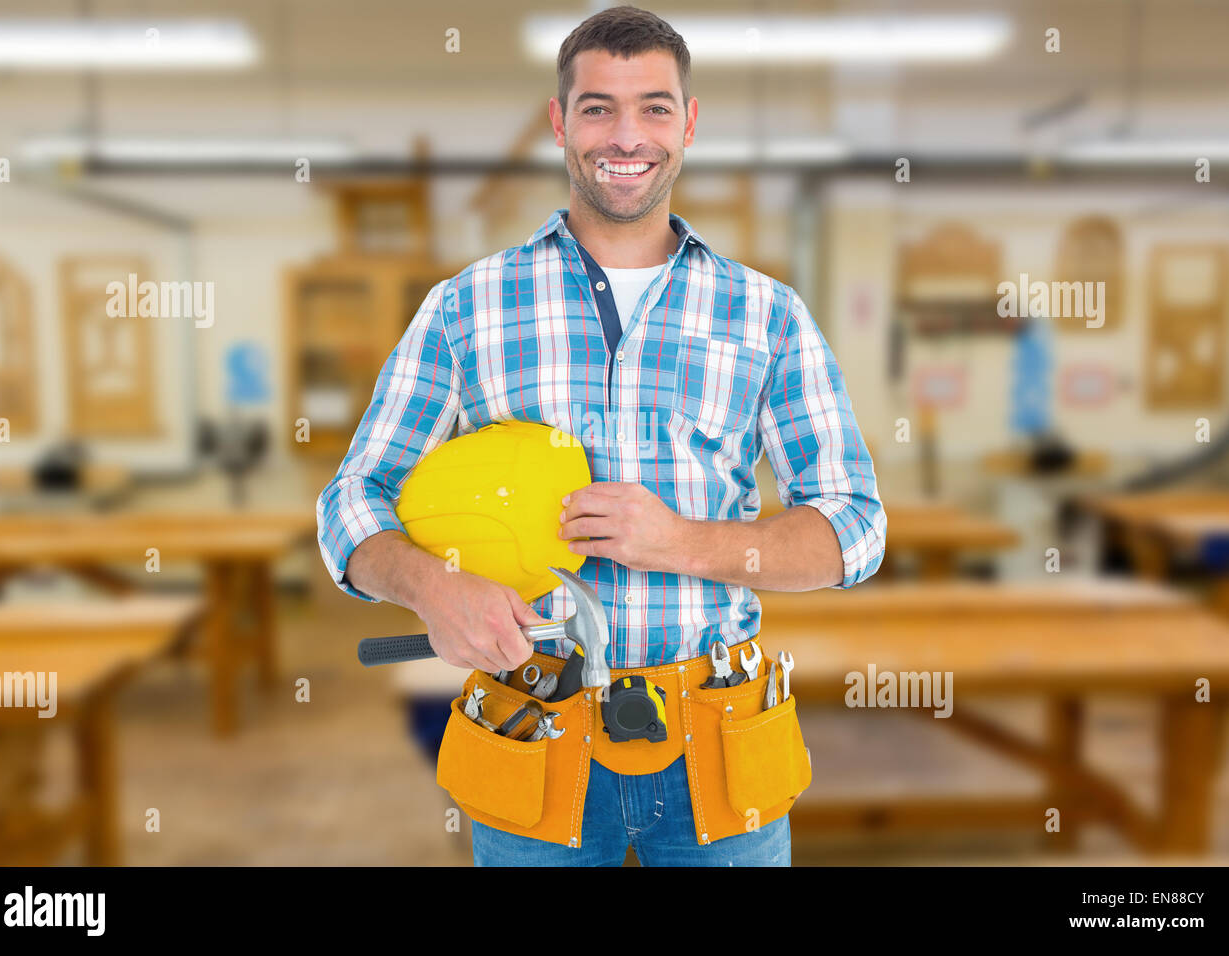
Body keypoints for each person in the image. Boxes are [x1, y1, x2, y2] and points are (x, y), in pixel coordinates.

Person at [317, 4, 885, 866]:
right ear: (560, 123)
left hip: (718, 740)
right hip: (532, 727)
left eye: (654, 107)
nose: (628, 135)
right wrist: (433, 589)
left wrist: (685, 543)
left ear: (689, 123)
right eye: (597, 108)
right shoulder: (468, 306)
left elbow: (854, 527)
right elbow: (351, 501)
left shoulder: (765, 314)